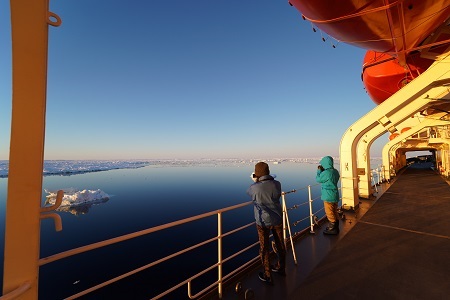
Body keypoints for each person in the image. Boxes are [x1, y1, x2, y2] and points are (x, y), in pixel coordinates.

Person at [247, 162, 286, 284]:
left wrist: (255, 181)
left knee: (264, 247)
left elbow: (249, 192)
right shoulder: (277, 184)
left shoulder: (255, 187)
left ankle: (267, 275)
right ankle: (281, 267)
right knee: (280, 244)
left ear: (257, 173)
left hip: (262, 222)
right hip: (277, 219)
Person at [316, 156, 341, 235]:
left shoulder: (326, 173)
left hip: (328, 196)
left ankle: (332, 229)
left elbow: (318, 179)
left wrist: (319, 171)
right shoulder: (335, 171)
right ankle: (335, 227)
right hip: (335, 194)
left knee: (329, 212)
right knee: (334, 211)